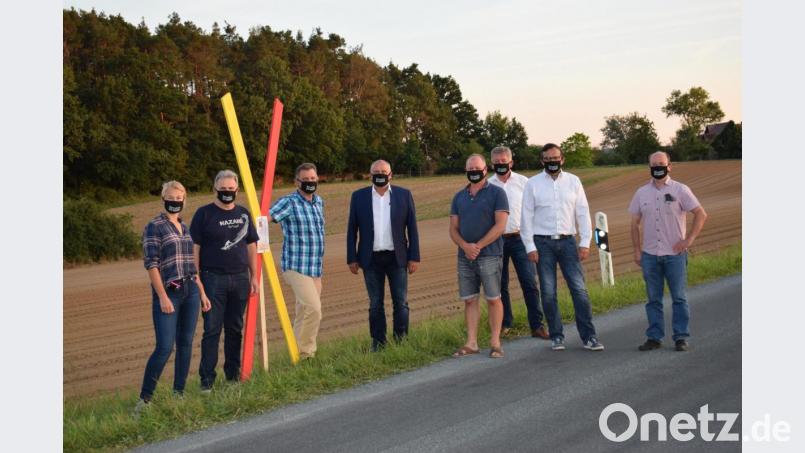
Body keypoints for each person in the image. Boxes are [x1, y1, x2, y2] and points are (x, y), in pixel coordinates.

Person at [520, 143, 604, 351]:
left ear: (562, 159)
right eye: (547, 159)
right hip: (542, 243)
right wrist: (530, 246)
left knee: (579, 290)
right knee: (548, 293)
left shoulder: (574, 182)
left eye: (555, 158)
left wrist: (585, 242)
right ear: (542, 161)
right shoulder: (533, 184)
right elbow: (526, 217)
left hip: (568, 242)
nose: (552, 162)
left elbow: (583, 213)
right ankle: (557, 336)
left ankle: (589, 337)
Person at [137, 181, 210, 412]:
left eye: (179, 198)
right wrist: (162, 297)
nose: (175, 201)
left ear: (184, 200)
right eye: (171, 196)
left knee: (186, 344)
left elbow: (191, 264)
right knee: (165, 347)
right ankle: (144, 400)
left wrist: (202, 292)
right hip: (169, 293)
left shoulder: (184, 227)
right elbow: (152, 265)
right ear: (163, 198)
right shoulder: (154, 227)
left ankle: (178, 393)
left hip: (191, 291)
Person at [630, 151, 707, 352]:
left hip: (675, 256)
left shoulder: (681, 190)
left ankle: (681, 337)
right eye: (654, 164)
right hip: (649, 256)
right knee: (653, 299)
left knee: (679, 298)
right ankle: (654, 337)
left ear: (669, 166)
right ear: (649, 167)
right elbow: (634, 224)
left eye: (661, 164)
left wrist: (688, 240)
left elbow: (701, 214)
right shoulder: (641, 193)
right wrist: (637, 251)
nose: (658, 167)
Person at [190, 170, 259, 391]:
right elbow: (195, 249)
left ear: (237, 190)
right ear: (215, 189)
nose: (227, 192)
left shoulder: (244, 214)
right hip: (212, 279)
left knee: (235, 329)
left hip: (240, 279)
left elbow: (251, 246)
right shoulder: (204, 214)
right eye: (223, 189)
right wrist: (197, 278)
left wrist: (254, 276)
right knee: (211, 329)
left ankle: (232, 377)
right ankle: (207, 381)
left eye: (231, 189)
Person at [347, 160, 421, 351]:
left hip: (397, 258)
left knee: (401, 302)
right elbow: (351, 229)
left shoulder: (404, 195)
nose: (380, 174)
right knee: (375, 304)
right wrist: (352, 258)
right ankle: (378, 343)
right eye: (376, 172)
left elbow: (412, 228)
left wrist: (414, 257)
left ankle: (401, 341)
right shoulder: (359, 197)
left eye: (383, 171)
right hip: (370, 259)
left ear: (391, 175)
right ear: (370, 175)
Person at [449, 154, 509, 358]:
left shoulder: (497, 193)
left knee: (493, 298)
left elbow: (500, 225)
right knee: (469, 300)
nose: (474, 172)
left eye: (477, 168)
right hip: (464, 256)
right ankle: (472, 342)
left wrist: (478, 246)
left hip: (490, 255)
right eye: (470, 169)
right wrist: (466, 246)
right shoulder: (459, 197)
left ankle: (495, 342)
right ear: (466, 171)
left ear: (485, 169)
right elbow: (453, 229)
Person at [487, 146, 549, 339]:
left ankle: (537, 325)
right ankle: (506, 323)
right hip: (497, 241)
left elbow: (535, 210)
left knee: (529, 282)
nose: (500, 165)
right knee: (500, 284)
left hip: (521, 239)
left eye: (504, 162)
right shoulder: (487, 186)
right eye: (496, 163)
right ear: (491, 164)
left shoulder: (525, 183)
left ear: (511, 162)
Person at [268, 163, 326, 359]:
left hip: (315, 268)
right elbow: (264, 218)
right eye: (305, 180)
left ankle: (295, 355)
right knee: (314, 309)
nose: (310, 183)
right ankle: (306, 353)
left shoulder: (319, 202)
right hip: (295, 266)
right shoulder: (289, 202)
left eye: (313, 179)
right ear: (297, 182)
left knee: (303, 313)